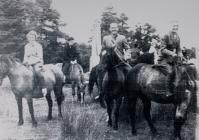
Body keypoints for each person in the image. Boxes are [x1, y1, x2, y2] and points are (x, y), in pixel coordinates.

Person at [158, 22, 183, 92]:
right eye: (174, 26)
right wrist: (172, 53)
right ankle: (167, 90)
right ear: (170, 26)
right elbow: (162, 49)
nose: (175, 27)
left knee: (181, 70)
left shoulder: (177, 37)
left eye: (177, 26)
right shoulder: (166, 35)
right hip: (164, 58)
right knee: (170, 72)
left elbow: (179, 48)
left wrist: (180, 53)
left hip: (173, 59)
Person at [23, 30, 44, 98]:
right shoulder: (26, 46)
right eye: (29, 37)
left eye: (32, 37)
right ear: (28, 38)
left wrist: (31, 62)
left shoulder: (38, 46)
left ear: (35, 38)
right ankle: (26, 89)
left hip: (37, 62)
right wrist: (25, 62)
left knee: (38, 72)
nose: (31, 39)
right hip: (28, 62)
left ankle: (42, 89)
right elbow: (25, 56)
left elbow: (40, 57)